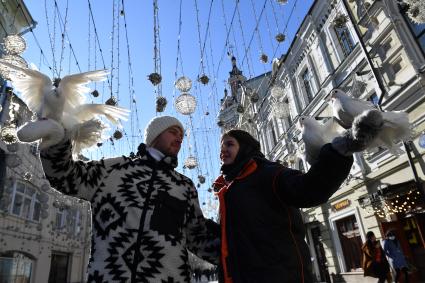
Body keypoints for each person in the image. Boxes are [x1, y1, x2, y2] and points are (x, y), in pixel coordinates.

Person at [40, 115, 220, 283]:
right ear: (155, 136)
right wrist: (57, 140)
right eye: (173, 132)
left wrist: (241, 250)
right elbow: (64, 176)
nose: (179, 138)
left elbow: (198, 238)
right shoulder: (114, 170)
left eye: (181, 135)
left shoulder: (183, 185)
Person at [213, 124, 378, 283]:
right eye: (221, 146)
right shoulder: (229, 189)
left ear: (244, 147)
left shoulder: (269, 174)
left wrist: (339, 152)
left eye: (229, 144)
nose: (223, 149)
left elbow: (308, 188)